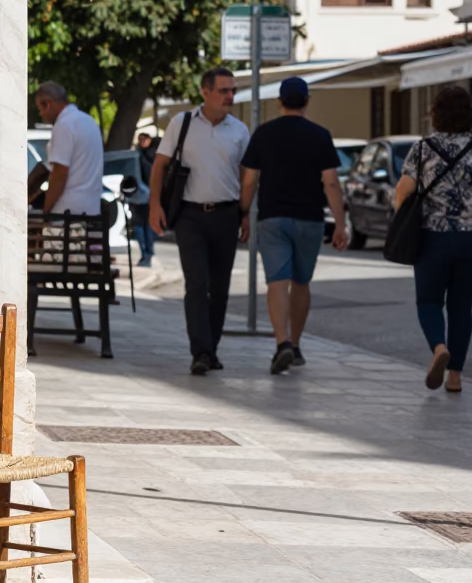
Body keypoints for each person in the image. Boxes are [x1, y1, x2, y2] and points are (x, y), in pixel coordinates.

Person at [393, 86, 472, 393]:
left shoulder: (422, 149)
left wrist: (402, 225)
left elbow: (402, 191)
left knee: (429, 301)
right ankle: (456, 376)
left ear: (435, 113)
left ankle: (438, 348)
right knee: (462, 306)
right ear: (469, 113)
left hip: (432, 237)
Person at [239, 77, 350, 375]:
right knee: (301, 282)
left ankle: (282, 343)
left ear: (280, 101)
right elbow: (330, 182)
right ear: (307, 101)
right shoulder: (320, 135)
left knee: (277, 281)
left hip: (272, 218)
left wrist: (243, 213)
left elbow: (249, 180)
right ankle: (297, 345)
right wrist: (340, 224)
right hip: (310, 219)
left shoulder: (263, 134)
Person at [149, 68, 250, 375]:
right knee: (197, 284)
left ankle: (211, 349)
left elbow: (248, 175)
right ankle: (200, 352)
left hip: (227, 215)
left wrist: (246, 213)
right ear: (205, 92)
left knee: (220, 288)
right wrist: (154, 205)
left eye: (232, 90)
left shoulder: (240, 131)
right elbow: (160, 165)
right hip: (189, 216)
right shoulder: (182, 124)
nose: (230, 96)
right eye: (223, 91)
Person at [33, 81, 104, 218]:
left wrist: (46, 209)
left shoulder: (64, 125)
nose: (41, 114)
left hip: (66, 212)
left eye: (40, 109)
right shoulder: (90, 121)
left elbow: (60, 173)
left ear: (47, 104)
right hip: (92, 209)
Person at [130, 132, 158, 266]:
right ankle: (146, 254)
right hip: (143, 196)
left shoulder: (139, 155)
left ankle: (147, 254)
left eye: (144, 139)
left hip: (143, 196)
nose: (142, 141)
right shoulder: (148, 155)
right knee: (142, 227)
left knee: (144, 226)